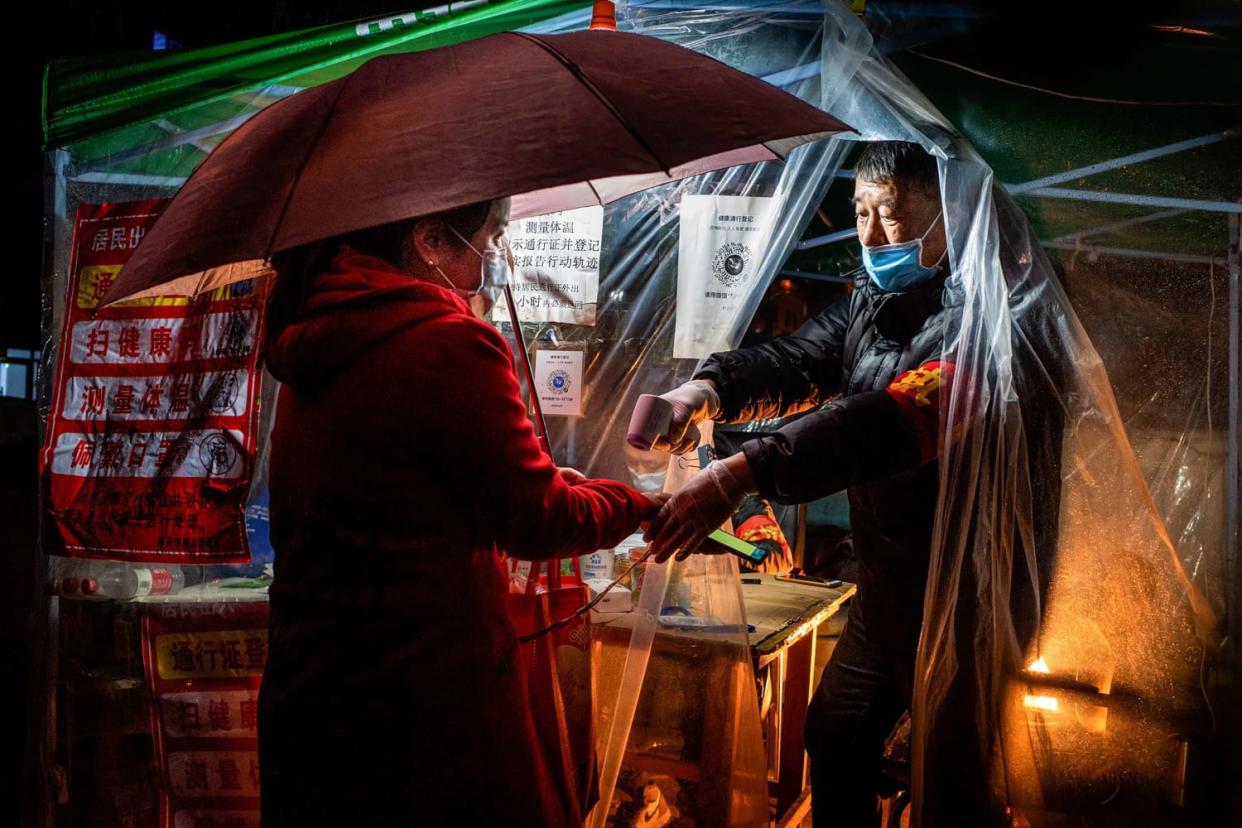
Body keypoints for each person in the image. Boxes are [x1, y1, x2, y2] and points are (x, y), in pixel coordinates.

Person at [639, 141, 1062, 825]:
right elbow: (798, 359)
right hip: (889, 588)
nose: (868, 236)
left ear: (951, 213)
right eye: (859, 211)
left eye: (890, 215)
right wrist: (706, 390)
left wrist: (745, 472)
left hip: (970, 600)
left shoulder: (1002, 319)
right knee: (835, 736)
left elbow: (892, 420)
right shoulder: (874, 301)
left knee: (951, 785)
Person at [258, 197, 664, 827]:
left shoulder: (314, 334)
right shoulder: (448, 342)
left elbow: (403, 482)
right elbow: (539, 520)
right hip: (426, 710)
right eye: (492, 236)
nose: (495, 257)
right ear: (427, 239)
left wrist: (544, 477)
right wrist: (634, 503)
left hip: (313, 695)